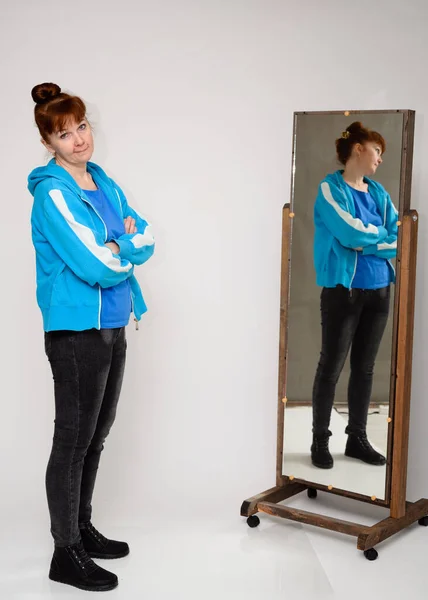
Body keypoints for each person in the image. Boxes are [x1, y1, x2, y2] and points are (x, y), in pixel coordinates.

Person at [28, 82, 155, 591]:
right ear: (49, 143)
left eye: (82, 127)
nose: (78, 140)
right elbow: (95, 263)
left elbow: (145, 234)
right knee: (73, 440)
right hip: (76, 331)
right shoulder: (53, 193)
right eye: (65, 134)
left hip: (113, 322)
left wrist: (121, 239)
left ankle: (81, 529)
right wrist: (120, 243)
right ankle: (65, 552)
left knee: (96, 436)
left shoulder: (103, 181)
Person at [311, 121, 397, 470]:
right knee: (331, 367)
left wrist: (371, 240)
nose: (380, 160)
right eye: (377, 151)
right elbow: (347, 233)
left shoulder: (378, 193)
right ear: (358, 149)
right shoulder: (329, 188)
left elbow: (398, 236)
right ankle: (320, 440)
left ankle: (356, 439)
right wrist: (378, 239)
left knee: (365, 369)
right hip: (342, 291)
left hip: (380, 290)